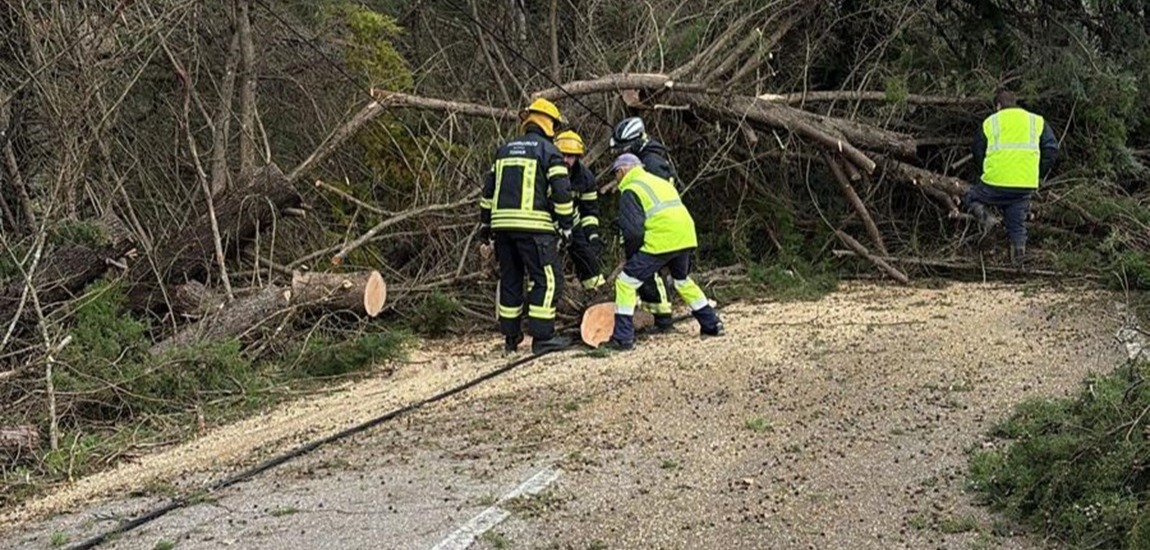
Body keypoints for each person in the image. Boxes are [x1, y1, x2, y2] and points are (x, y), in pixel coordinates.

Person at [479, 98, 574, 354]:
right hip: (535, 229)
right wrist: (566, 225)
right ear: (550, 123)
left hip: (502, 230)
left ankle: (511, 339)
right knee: (547, 279)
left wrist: (484, 225)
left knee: (511, 279)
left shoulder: (504, 149)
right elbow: (562, 192)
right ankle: (543, 338)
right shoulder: (549, 151)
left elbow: (488, 191)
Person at [605, 154, 723, 350]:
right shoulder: (659, 182)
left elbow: (633, 230)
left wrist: (633, 256)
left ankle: (623, 338)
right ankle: (712, 324)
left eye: (615, 174)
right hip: (685, 236)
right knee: (682, 280)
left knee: (625, 282)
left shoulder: (630, 189)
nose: (616, 180)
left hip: (661, 240)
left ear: (622, 170)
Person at [966, 90, 1059, 266]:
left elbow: (977, 150)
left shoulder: (991, 122)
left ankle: (988, 220)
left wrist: (982, 173)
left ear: (998, 106)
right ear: (1016, 103)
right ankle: (1018, 259)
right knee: (1017, 220)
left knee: (971, 196)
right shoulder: (1036, 121)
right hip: (1024, 184)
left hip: (994, 183)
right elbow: (1052, 148)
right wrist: (1038, 173)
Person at [610, 116, 677, 330]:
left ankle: (663, 319)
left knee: (649, 270)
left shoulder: (652, 163)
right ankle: (656, 316)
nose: (622, 154)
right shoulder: (648, 159)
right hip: (651, 222)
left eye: (624, 149)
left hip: (655, 224)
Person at [553, 130, 605, 291]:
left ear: (578, 157)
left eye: (571, 156)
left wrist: (593, 236)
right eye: (563, 155)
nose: (566, 160)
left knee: (587, 259)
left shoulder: (585, 178)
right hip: (547, 223)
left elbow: (589, 211)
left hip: (573, 223)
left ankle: (597, 292)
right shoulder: (545, 171)